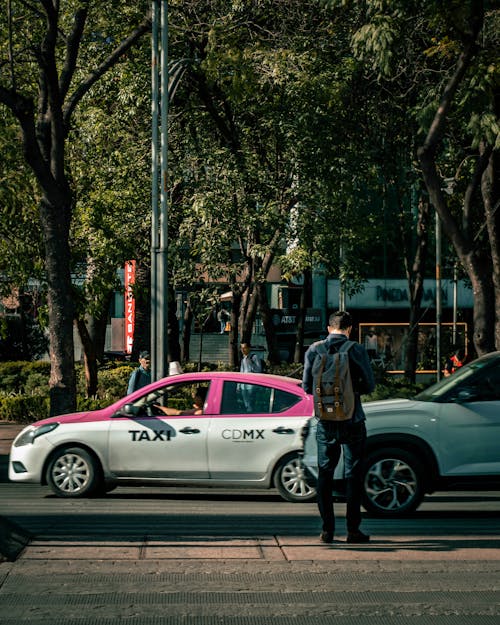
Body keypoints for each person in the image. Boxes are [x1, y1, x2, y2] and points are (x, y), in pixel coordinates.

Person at [302, 310, 375, 545]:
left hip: (325, 421)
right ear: (350, 329)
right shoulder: (356, 349)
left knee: (325, 472)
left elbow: (306, 387)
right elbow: (369, 385)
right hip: (353, 419)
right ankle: (353, 530)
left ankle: (327, 530)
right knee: (353, 474)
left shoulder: (314, 350)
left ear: (328, 328)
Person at [239, 343, 262, 411]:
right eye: (241, 348)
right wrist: (239, 385)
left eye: (244, 348)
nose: (243, 350)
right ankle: (247, 411)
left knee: (251, 401)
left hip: (251, 384)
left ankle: (251, 413)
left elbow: (258, 370)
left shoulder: (254, 357)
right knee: (245, 401)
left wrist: (251, 363)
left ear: (249, 348)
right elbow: (241, 372)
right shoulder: (243, 359)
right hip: (243, 384)